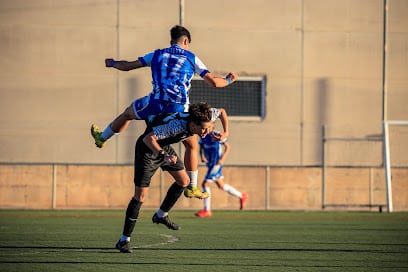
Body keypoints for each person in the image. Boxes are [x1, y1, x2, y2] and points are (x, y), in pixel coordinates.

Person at [91, 25, 237, 199]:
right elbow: (213, 82)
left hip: (155, 103)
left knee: (127, 114)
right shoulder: (191, 57)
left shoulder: (158, 54)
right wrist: (229, 79)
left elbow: (129, 66)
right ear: (186, 41)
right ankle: (192, 186)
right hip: (178, 106)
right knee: (191, 144)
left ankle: (102, 137)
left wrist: (113, 63)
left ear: (171, 41)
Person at [115, 102, 228, 253]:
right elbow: (148, 139)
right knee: (140, 196)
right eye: (203, 128)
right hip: (148, 150)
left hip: (164, 148)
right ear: (192, 124)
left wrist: (225, 132)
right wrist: (163, 155)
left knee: (184, 181)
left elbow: (221, 111)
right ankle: (124, 240)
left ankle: (161, 215)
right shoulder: (176, 126)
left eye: (208, 128)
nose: (205, 131)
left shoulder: (204, 117)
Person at [195, 132, 248, 218]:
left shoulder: (217, 134)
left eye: (210, 124)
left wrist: (222, 158)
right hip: (210, 164)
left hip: (216, 163)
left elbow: (227, 146)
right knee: (221, 185)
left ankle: (207, 210)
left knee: (205, 184)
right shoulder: (203, 134)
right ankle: (241, 196)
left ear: (212, 124)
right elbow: (201, 146)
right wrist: (202, 156)